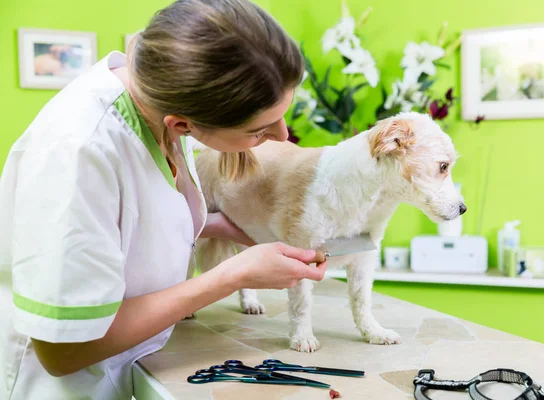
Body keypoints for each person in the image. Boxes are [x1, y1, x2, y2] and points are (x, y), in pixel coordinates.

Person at [0, 0, 327, 398]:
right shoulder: (80, 152)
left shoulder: (162, 101)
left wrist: (227, 228)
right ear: (183, 124)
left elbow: (133, 222)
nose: (282, 135)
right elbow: (63, 351)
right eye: (259, 130)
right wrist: (232, 275)